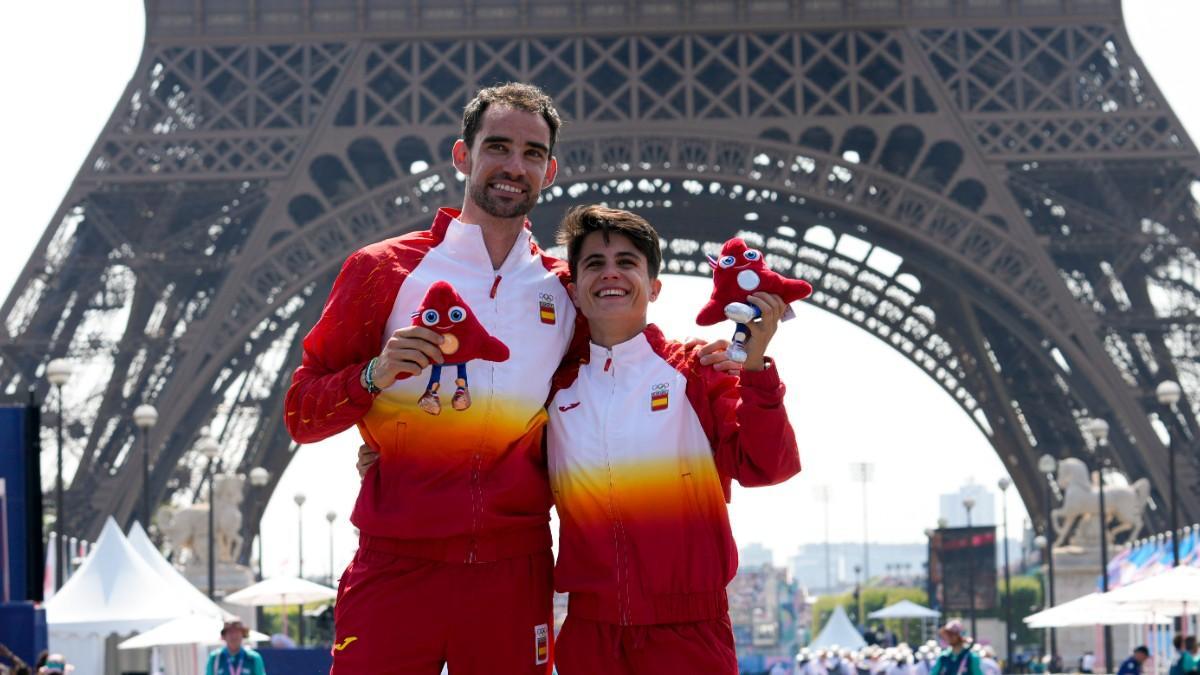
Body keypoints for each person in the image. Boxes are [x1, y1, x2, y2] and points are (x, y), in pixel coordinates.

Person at [288, 83, 733, 673]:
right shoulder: (382, 271)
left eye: (530, 153)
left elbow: (614, 370)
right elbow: (300, 412)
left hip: (513, 571)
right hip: (397, 562)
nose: (512, 165)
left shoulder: (564, 289)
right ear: (462, 155)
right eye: (497, 146)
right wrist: (374, 376)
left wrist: (700, 359)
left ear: (548, 170)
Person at [543, 205, 800, 673]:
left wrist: (758, 367)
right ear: (575, 290)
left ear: (655, 287)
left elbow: (768, 466)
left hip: (688, 633)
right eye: (594, 264)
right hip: (589, 635)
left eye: (627, 262)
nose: (610, 274)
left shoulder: (696, 374)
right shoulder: (554, 391)